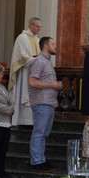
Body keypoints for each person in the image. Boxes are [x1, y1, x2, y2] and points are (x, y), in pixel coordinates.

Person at [28, 37, 62, 170]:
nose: (55, 46)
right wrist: (52, 85)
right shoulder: (39, 61)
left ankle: (41, 159)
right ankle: (36, 161)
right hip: (42, 102)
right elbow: (32, 82)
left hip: (49, 102)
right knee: (39, 132)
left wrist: (55, 85)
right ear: (46, 46)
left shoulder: (47, 62)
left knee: (44, 133)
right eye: (53, 44)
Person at [9, 17, 42, 126]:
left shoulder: (37, 40)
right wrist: (35, 60)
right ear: (30, 25)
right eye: (37, 26)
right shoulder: (22, 38)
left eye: (40, 27)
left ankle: (32, 121)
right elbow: (21, 55)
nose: (39, 29)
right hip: (25, 71)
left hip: (35, 72)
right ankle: (22, 120)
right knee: (24, 94)